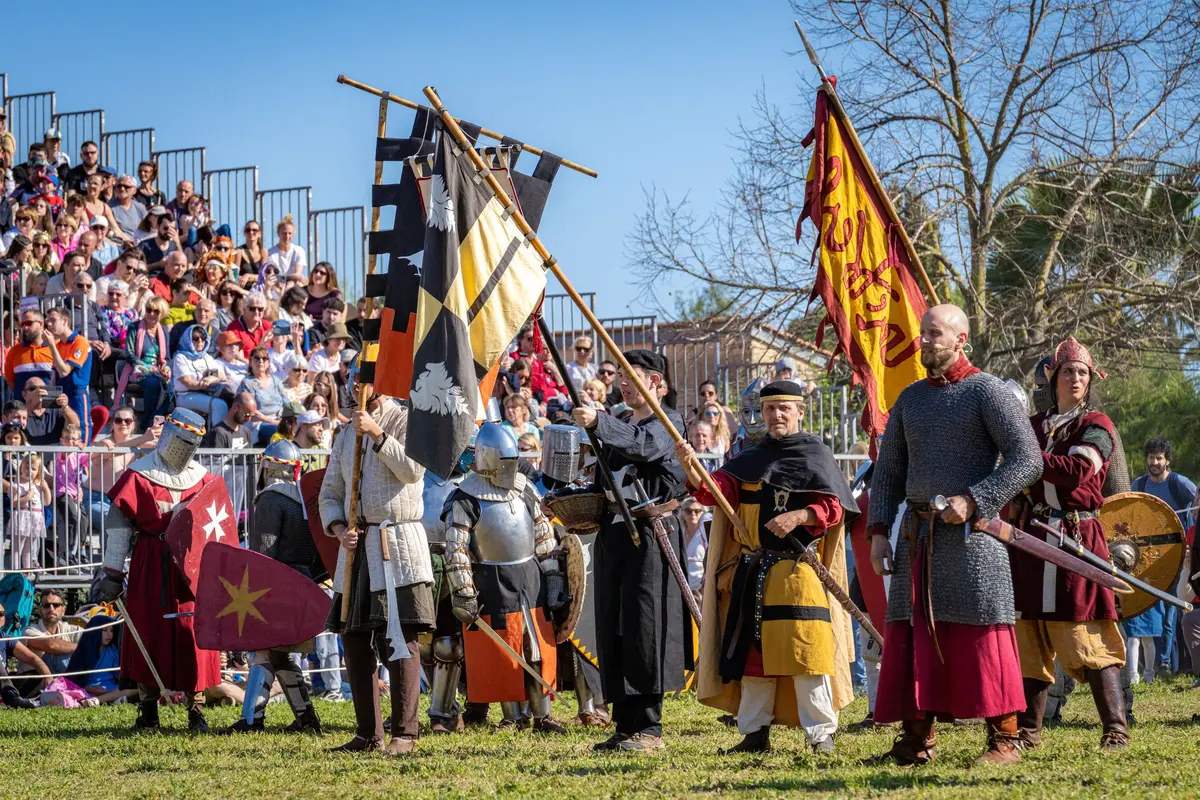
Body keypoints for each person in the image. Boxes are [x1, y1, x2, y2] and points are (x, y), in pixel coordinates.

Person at [865, 304, 1042, 767]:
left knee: (981, 634)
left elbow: (1027, 459)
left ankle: (1004, 739)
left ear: (962, 338)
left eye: (935, 333)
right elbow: (888, 472)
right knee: (915, 633)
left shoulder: (988, 392)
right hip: (917, 536)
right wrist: (879, 530)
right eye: (923, 333)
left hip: (973, 539)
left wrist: (976, 498)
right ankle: (917, 739)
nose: (924, 340)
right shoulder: (910, 399)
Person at [677, 380, 858, 755]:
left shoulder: (814, 455)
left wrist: (800, 515)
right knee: (753, 660)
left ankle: (821, 734)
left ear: (799, 412)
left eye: (784, 408)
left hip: (798, 573)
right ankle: (755, 733)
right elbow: (715, 492)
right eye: (770, 408)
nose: (776, 415)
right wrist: (690, 466)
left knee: (808, 655)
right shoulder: (750, 458)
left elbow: (834, 508)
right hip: (754, 573)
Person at [1010, 336, 1128, 751]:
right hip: (1030, 538)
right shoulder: (1034, 425)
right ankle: (1028, 733)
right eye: (1068, 371)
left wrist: (1022, 456)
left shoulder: (1097, 425)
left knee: (1085, 635)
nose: (1076, 378)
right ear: (1053, 377)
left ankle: (1115, 728)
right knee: (1029, 637)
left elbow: (1077, 471)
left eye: (1082, 372)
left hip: (1077, 539)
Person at [570, 350, 690, 753]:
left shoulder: (668, 422)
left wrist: (598, 422)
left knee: (644, 625)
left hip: (651, 533)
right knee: (613, 623)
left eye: (632, 375)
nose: (623, 382)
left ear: (657, 383)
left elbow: (644, 448)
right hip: (613, 533)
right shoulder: (619, 420)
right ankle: (623, 724)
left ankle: (648, 728)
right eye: (620, 374)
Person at [319, 355, 433, 755]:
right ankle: (368, 734)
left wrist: (379, 435)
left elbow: (414, 470)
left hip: (397, 542)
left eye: (362, 378)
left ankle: (405, 732)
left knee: (400, 639)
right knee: (354, 640)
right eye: (351, 378)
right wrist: (337, 528)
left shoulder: (405, 418)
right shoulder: (345, 433)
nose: (355, 386)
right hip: (357, 548)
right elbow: (330, 492)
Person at [97, 409, 223, 732]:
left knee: (192, 636)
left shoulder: (203, 480)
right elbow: (119, 526)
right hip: (149, 564)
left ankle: (196, 710)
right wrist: (113, 572)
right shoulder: (139, 475)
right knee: (149, 632)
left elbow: (215, 528)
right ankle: (148, 711)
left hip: (190, 571)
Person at [442, 422, 567, 734]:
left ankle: (542, 714)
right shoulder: (465, 499)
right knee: (503, 649)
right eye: (505, 461)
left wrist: (552, 576)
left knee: (536, 648)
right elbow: (455, 550)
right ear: (487, 459)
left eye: (514, 461)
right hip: (492, 580)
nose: (510, 468)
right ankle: (511, 716)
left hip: (530, 578)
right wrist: (464, 591)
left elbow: (543, 535)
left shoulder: (523, 489)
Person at [224, 440, 323, 734]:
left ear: (266, 466)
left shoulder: (270, 499)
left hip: (274, 584)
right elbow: (319, 554)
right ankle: (307, 719)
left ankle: (251, 720)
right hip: (303, 583)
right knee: (280, 654)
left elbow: (263, 555)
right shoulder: (307, 502)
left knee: (263, 653)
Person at [1129, 437, 1196, 680]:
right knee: (1149, 610)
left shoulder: (1180, 484)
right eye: (1151, 457)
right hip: (1148, 558)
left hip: (1178, 556)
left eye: (1159, 458)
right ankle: (1153, 666)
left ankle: (1170, 665)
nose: (1154, 462)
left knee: (1173, 612)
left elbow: (1196, 507)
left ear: (1167, 460)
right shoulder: (1139, 485)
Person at [86, 407, 162, 532]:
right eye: (118, 420)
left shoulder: (138, 445)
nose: (123, 423)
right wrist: (144, 438)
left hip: (121, 501)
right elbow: (114, 449)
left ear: (133, 425)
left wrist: (162, 436)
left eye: (127, 421)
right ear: (112, 424)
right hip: (96, 499)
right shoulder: (104, 443)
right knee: (110, 520)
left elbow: (157, 448)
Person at [45, 307, 94, 441]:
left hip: (76, 394)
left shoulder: (80, 342)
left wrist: (51, 346)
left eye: (53, 320)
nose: (49, 324)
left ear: (65, 321)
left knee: (80, 431)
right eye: (47, 321)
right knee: (64, 434)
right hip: (61, 395)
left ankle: (84, 460)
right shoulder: (59, 345)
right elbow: (55, 375)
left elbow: (64, 371)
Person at [122, 296, 172, 427]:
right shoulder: (134, 327)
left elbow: (167, 357)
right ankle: (148, 423)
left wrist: (166, 368)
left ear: (162, 313)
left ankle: (158, 420)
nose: (151, 314)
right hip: (139, 371)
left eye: (156, 311)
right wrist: (147, 367)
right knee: (154, 383)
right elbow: (129, 353)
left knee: (170, 387)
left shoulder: (164, 331)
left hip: (158, 372)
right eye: (149, 310)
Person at [66, 615, 135, 705]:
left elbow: (118, 675)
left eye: (111, 630)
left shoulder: (112, 651)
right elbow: (74, 679)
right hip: (88, 689)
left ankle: (100, 700)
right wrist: (90, 688)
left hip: (111, 688)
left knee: (133, 689)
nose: (109, 634)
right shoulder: (84, 651)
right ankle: (110, 700)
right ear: (95, 631)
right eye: (105, 630)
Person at [19, 591, 82, 685]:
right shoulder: (29, 631)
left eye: (56, 605)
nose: (51, 609)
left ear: (63, 610)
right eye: (46, 605)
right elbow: (51, 646)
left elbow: (93, 640)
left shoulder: (71, 629)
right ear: (40, 610)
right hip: (32, 684)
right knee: (61, 654)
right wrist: (81, 647)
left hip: (58, 682)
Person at [173, 325, 233, 423]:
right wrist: (203, 384)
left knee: (232, 399)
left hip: (206, 392)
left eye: (203, 338)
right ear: (188, 340)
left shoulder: (206, 357)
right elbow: (188, 382)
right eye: (195, 339)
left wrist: (210, 380)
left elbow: (221, 374)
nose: (200, 341)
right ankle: (216, 436)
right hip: (186, 395)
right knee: (219, 405)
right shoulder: (181, 357)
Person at [51, 423, 91, 566]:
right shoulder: (61, 452)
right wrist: (73, 447)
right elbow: (64, 455)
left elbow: (91, 459)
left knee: (84, 520)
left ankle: (80, 549)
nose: (70, 442)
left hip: (75, 493)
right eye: (67, 439)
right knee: (73, 516)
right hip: (62, 492)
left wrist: (101, 446)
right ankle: (68, 553)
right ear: (62, 440)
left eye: (74, 439)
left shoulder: (79, 454)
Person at [0, 602, 50, 709]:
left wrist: (47, 675)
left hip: (3, 686)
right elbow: (51, 645)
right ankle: (11, 697)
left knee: (37, 675)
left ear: (4, 619)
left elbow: (33, 658)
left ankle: (14, 697)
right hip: (5, 688)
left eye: (1, 614)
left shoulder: (6, 639)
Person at [9, 452, 50, 570]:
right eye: (27, 467)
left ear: (38, 471)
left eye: (33, 469)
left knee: (29, 548)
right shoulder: (17, 484)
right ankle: (15, 572)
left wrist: (46, 488)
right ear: (21, 467)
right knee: (18, 547)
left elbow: (46, 502)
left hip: (36, 517)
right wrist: (27, 497)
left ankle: (27, 571)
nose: (29, 471)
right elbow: (14, 503)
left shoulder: (37, 485)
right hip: (22, 516)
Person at [240, 347, 288, 445]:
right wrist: (272, 421)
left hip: (279, 420)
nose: (261, 361)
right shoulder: (247, 383)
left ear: (269, 362)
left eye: (264, 358)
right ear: (250, 362)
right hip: (257, 423)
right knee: (277, 432)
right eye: (257, 358)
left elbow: (287, 403)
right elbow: (250, 410)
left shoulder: (276, 381)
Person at [5, 307, 56, 395]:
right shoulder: (14, 351)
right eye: (23, 324)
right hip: (23, 406)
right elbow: (10, 381)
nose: (25, 327)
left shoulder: (54, 348)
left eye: (29, 323)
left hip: (49, 405)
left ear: (41, 324)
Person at [21, 378, 81, 446]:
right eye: (32, 389)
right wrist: (32, 404)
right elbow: (15, 428)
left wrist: (65, 407)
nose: (38, 392)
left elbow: (75, 425)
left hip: (55, 455)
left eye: (42, 388)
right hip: (30, 456)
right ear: (24, 394)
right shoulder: (20, 411)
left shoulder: (57, 411)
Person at [677, 496, 708, 597]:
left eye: (697, 511)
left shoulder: (706, 533)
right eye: (688, 510)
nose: (693, 514)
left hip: (700, 588)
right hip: (681, 586)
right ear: (682, 512)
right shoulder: (679, 531)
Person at [226, 290, 271, 356]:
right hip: (243, 365)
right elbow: (237, 357)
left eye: (260, 309)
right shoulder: (233, 328)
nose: (256, 312)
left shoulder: (268, 326)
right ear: (244, 309)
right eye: (252, 308)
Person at [108, 175, 147, 239]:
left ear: (134, 191)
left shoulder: (140, 208)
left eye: (126, 187)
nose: (122, 189)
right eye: (119, 186)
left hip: (138, 244)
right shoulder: (108, 206)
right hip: (118, 243)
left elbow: (148, 228)